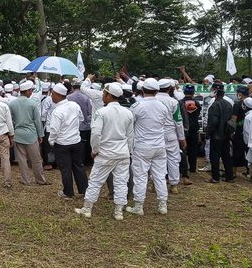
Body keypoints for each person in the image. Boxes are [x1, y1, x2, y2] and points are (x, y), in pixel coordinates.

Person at [75, 83, 134, 220]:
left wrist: (95, 150)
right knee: (121, 182)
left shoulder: (101, 112)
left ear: (109, 95)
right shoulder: (128, 113)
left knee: (95, 181)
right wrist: (129, 152)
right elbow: (130, 136)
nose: (102, 96)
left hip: (106, 152)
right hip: (122, 152)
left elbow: (96, 133)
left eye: (104, 93)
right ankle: (118, 211)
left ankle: (87, 208)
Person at [126, 78, 169, 216]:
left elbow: (130, 125)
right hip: (159, 145)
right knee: (160, 176)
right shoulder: (163, 107)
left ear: (143, 90)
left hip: (142, 146)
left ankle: (139, 206)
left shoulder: (137, 106)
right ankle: (162, 205)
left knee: (140, 176)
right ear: (157, 91)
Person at [48, 83, 88, 199]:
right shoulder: (74, 105)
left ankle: (68, 192)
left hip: (62, 144)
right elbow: (81, 119)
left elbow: (54, 130)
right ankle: (84, 190)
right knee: (78, 166)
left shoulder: (57, 111)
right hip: (76, 141)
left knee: (65, 169)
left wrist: (51, 141)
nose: (51, 96)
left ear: (58, 95)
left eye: (53, 94)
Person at [8, 80, 49, 186]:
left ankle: (25, 180)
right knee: (36, 159)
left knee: (21, 159)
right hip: (31, 134)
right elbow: (37, 121)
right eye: (30, 90)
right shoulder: (32, 104)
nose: (31, 92)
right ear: (27, 91)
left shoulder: (12, 104)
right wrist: (41, 135)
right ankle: (40, 179)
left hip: (18, 133)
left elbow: (10, 120)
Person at [155, 79, 186, 193]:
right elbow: (178, 121)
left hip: (156, 134)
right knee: (173, 159)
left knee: (156, 160)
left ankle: (155, 183)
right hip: (170, 134)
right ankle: (174, 185)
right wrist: (181, 138)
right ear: (170, 89)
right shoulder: (173, 102)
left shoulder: (152, 100)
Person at [206, 84, 234, 183]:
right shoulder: (228, 104)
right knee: (226, 156)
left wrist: (208, 133)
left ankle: (215, 177)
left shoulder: (214, 105)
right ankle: (229, 177)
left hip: (216, 135)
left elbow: (213, 122)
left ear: (215, 93)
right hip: (226, 134)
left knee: (215, 157)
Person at [180, 85, 201, 183]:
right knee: (193, 149)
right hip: (194, 129)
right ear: (193, 93)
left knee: (182, 150)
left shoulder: (180, 102)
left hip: (184, 129)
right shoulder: (197, 103)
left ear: (184, 92)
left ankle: (182, 169)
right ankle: (192, 168)